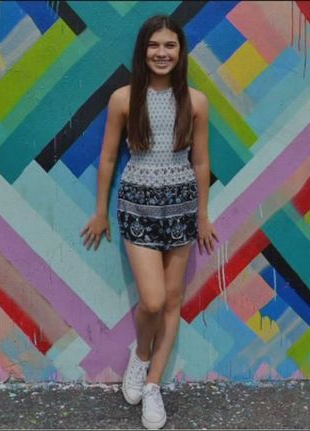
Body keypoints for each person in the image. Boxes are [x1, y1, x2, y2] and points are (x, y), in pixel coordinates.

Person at [79, 14, 219, 430]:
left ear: (181, 51)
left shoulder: (196, 102)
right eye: (154, 45)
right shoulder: (124, 98)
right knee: (153, 301)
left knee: (173, 300)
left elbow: (201, 161)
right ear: (143, 52)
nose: (161, 53)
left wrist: (203, 215)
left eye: (169, 45)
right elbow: (108, 158)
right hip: (138, 206)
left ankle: (153, 385)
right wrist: (101, 211)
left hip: (181, 209)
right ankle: (140, 357)